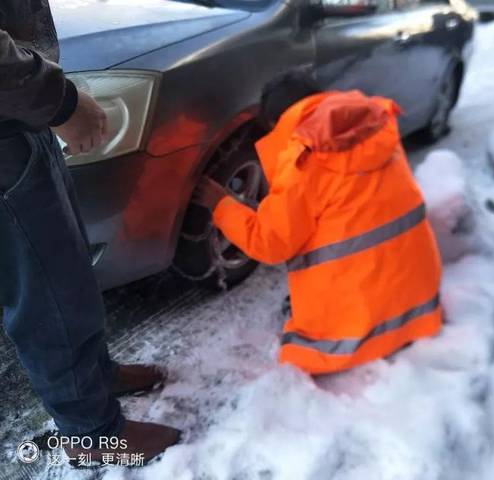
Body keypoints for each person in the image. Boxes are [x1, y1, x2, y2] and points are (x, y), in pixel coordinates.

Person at [0, 1, 179, 464]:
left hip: (19, 117)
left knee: (68, 273)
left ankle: (94, 378)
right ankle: (92, 436)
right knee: (46, 297)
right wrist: (60, 101)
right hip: (7, 125)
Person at [194, 72, 443, 375]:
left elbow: (269, 243)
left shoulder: (305, 156)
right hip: (418, 304)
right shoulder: (378, 128)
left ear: (276, 123)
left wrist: (220, 204)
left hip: (354, 333)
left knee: (305, 342)